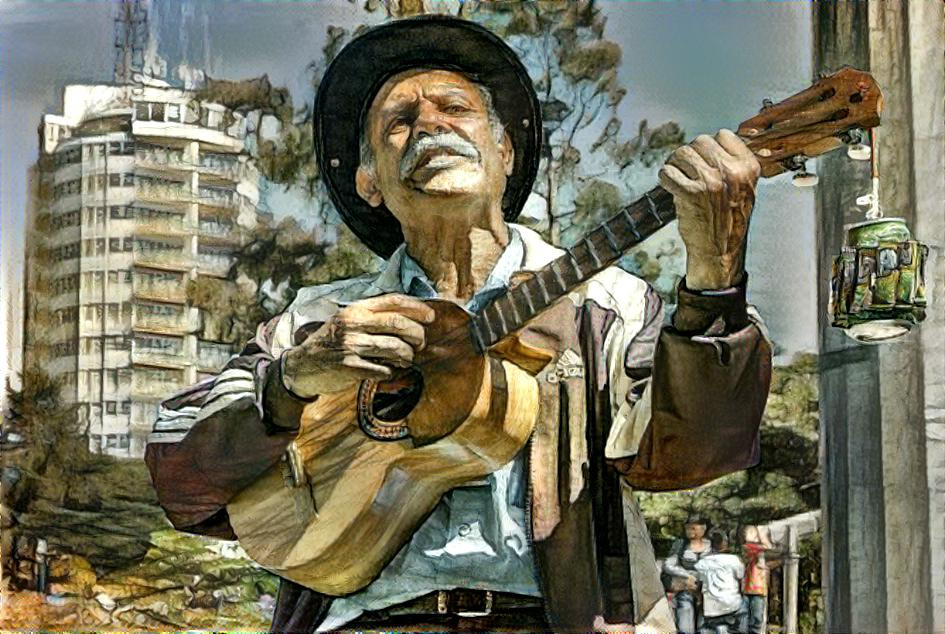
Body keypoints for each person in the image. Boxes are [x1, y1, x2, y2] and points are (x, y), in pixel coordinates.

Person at [144, 15, 772, 633]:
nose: (430, 125)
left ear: (504, 151)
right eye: (399, 121)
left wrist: (715, 280)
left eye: (455, 108)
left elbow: (691, 456)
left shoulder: (605, 303)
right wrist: (288, 380)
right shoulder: (317, 319)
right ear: (369, 182)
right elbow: (178, 471)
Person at [664, 516, 713, 634]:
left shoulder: (712, 545)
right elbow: (668, 565)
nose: (690, 532)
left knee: (706, 629)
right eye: (687, 529)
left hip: (707, 592)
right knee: (685, 628)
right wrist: (687, 575)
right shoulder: (680, 544)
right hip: (685, 589)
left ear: (703, 528)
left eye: (693, 528)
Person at [695, 530, 746, 634]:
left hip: (710, 609)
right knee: (745, 610)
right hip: (733, 605)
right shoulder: (735, 560)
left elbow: (698, 586)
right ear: (725, 543)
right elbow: (742, 582)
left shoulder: (702, 563)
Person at [740, 524, 778, 634]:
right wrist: (764, 537)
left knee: (756, 620)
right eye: (752, 533)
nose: (756, 535)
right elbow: (769, 548)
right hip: (747, 589)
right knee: (745, 621)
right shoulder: (748, 547)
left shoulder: (760, 550)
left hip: (759, 589)